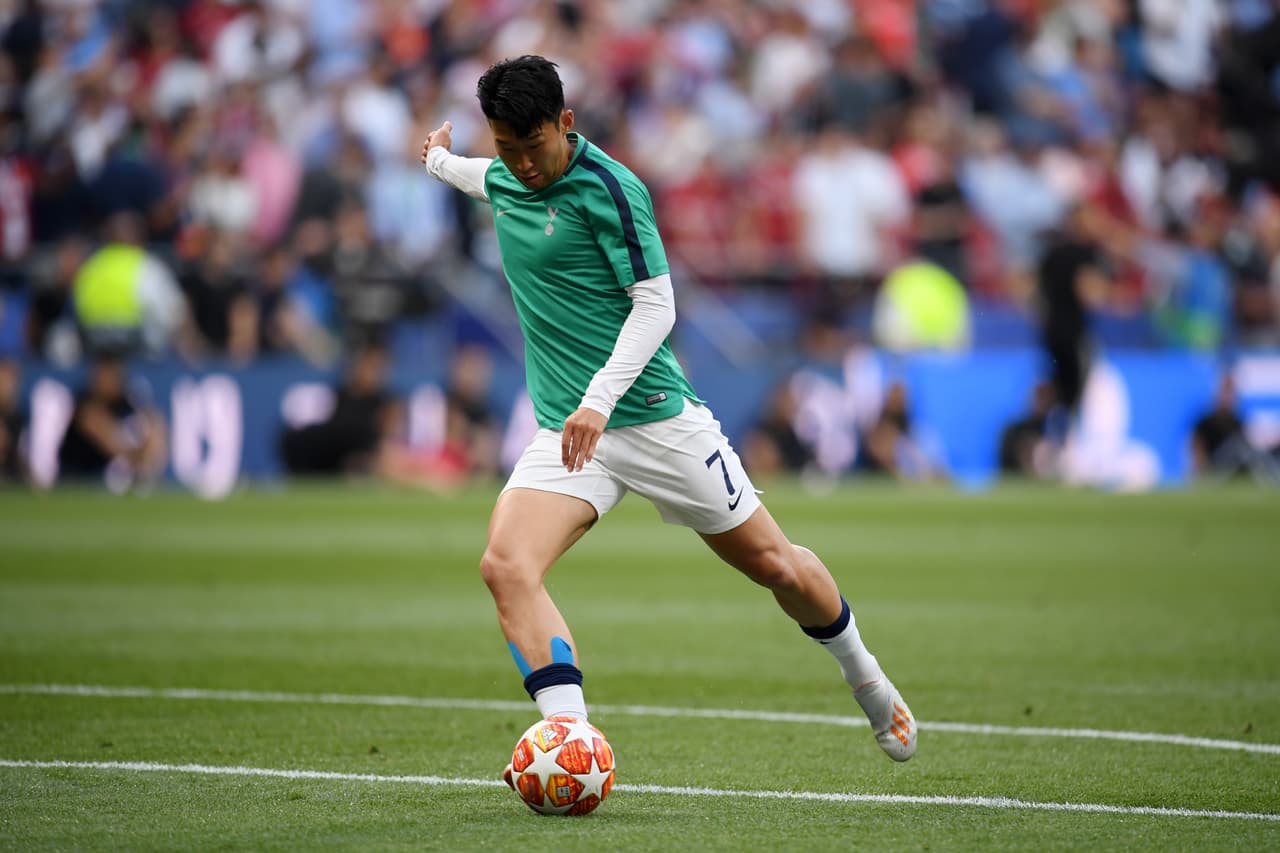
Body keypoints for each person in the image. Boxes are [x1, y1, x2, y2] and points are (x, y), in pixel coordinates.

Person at [420, 56, 916, 775]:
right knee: (505, 565)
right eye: (506, 147)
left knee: (775, 565)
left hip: (654, 418)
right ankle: (570, 740)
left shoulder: (612, 189)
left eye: (534, 145)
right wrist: (437, 158)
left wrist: (599, 400)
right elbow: (477, 175)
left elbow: (657, 305)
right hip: (569, 432)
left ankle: (865, 674)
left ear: (565, 123)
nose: (522, 164)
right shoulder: (504, 176)